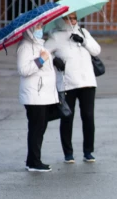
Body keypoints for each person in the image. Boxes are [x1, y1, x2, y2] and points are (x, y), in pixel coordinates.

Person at [45, 13, 101, 163]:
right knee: (67, 117)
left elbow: (96, 51)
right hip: (67, 83)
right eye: (68, 18)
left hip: (87, 81)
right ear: (61, 20)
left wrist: (83, 41)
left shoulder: (83, 32)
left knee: (88, 117)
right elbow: (43, 53)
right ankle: (68, 153)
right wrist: (54, 60)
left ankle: (88, 151)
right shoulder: (56, 36)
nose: (72, 21)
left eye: (74, 18)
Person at [17, 24, 59, 172]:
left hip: (43, 94)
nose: (40, 28)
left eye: (41, 25)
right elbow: (23, 69)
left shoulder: (39, 44)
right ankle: (34, 162)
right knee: (36, 128)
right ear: (29, 29)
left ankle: (32, 160)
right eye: (37, 26)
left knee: (40, 126)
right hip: (34, 94)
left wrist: (52, 59)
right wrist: (40, 60)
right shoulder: (25, 46)